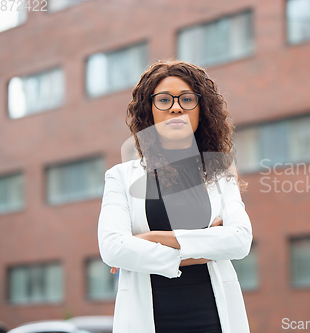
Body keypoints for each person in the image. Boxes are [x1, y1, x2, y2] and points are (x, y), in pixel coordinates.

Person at [97, 59, 253, 333]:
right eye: (164, 100)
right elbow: (113, 248)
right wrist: (203, 250)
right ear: (150, 111)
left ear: (201, 110)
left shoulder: (220, 172)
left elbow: (240, 240)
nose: (176, 107)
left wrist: (152, 239)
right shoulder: (120, 177)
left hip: (213, 320)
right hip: (150, 321)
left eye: (186, 99)